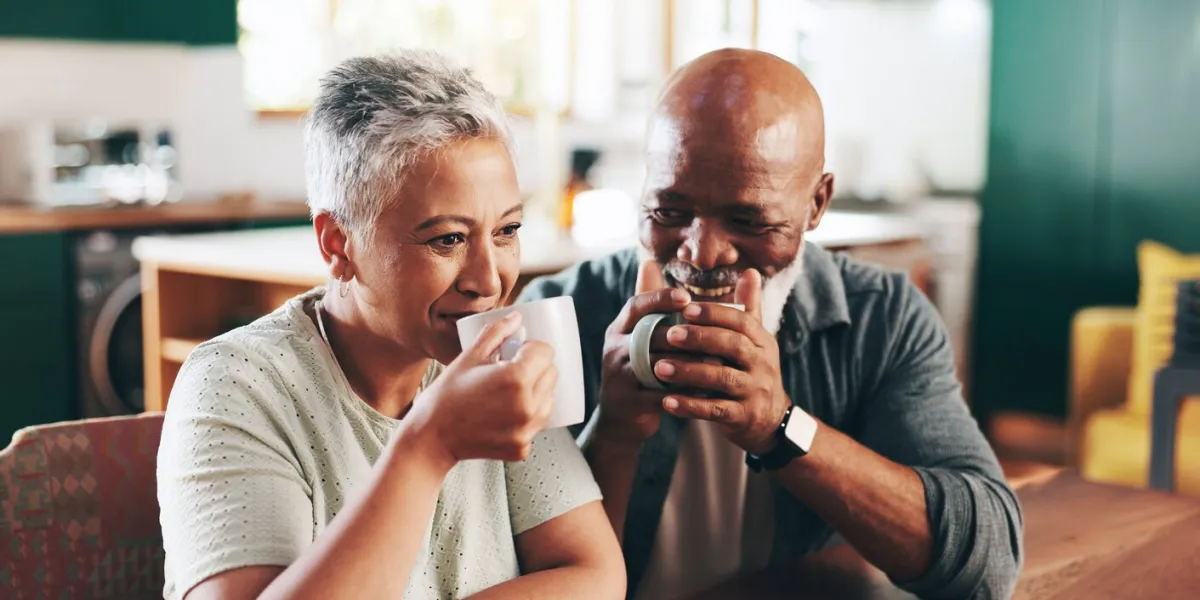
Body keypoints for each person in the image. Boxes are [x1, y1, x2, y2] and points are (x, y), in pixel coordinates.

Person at [519, 48, 1022, 599]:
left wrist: (781, 428)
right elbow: (508, 571)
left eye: (747, 219)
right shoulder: (560, 314)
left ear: (816, 203)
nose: (703, 252)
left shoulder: (882, 318)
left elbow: (990, 561)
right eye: (669, 211)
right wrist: (612, 434)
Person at [157, 51, 625, 600]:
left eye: (506, 231)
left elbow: (595, 576)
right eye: (447, 239)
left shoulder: (497, 360)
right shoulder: (234, 385)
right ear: (338, 245)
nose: (488, 280)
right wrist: (429, 446)